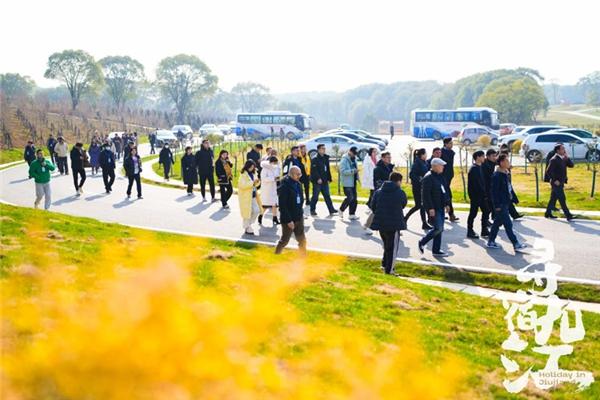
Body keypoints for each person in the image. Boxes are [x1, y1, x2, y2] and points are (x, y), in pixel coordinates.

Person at [487, 154, 527, 252]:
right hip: (501, 204)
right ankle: (516, 243)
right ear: (501, 163)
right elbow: (494, 192)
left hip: (506, 202)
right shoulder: (497, 176)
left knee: (497, 223)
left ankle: (491, 241)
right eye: (507, 161)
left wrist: (514, 198)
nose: (509, 163)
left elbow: (509, 188)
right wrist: (497, 205)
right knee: (508, 224)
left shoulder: (505, 173)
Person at [370, 172, 407, 275]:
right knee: (392, 248)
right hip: (394, 224)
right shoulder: (400, 192)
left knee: (387, 245)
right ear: (398, 181)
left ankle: (384, 264)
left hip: (381, 223)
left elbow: (373, 206)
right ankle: (389, 270)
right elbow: (403, 204)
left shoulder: (378, 192)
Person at [417, 158, 450, 256]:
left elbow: (445, 190)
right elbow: (425, 195)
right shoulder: (428, 177)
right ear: (435, 166)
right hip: (434, 207)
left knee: (439, 229)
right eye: (441, 165)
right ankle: (422, 242)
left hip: (440, 206)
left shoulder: (440, 176)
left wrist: (447, 203)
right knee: (438, 228)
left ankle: (436, 250)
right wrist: (430, 208)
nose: (443, 167)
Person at [275, 165, 307, 255]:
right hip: (288, 219)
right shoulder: (284, 186)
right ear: (292, 174)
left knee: (302, 239)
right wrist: (289, 220)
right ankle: (276, 255)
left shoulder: (298, 184)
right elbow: (283, 205)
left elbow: (300, 198)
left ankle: (303, 257)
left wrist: (300, 213)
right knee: (285, 240)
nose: (300, 176)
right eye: (298, 174)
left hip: (298, 216)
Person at [545, 144, 577, 220]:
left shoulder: (563, 158)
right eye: (562, 149)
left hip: (561, 182)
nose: (564, 150)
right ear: (558, 151)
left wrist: (567, 157)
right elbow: (548, 171)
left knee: (553, 199)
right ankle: (568, 215)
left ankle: (547, 213)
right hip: (556, 183)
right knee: (562, 199)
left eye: (564, 148)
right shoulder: (554, 159)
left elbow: (571, 165)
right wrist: (555, 180)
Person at [309, 144, 337, 216]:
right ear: (318, 150)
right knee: (315, 196)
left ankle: (331, 210)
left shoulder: (325, 158)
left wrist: (329, 178)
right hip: (317, 181)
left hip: (324, 180)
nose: (324, 150)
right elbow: (314, 170)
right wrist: (318, 178)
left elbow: (327, 169)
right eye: (322, 148)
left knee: (327, 195)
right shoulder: (315, 159)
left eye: (324, 148)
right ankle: (312, 210)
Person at [466, 150, 488, 239]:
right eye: (483, 156)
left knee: (486, 211)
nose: (484, 158)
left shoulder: (480, 167)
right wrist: (481, 194)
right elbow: (475, 184)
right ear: (478, 157)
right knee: (473, 213)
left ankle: (484, 230)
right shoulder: (474, 169)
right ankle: (470, 230)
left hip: (482, 195)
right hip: (476, 196)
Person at [238, 160, 262, 235]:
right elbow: (242, 185)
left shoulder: (254, 173)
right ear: (248, 166)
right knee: (247, 212)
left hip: (254, 195)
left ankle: (248, 225)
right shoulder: (243, 174)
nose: (253, 168)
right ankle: (247, 227)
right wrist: (252, 183)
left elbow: (256, 185)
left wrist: (257, 182)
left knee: (257, 210)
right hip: (246, 197)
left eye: (253, 166)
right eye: (251, 166)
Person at [339, 146, 359, 220]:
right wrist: (352, 171)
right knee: (350, 197)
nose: (354, 155)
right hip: (347, 182)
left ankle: (352, 214)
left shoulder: (354, 159)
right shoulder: (344, 160)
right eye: (354, 153)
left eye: (355, 153)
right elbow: (342, 171)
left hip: (353, 181)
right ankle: (341, 210)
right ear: (350, 151)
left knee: (355, 199)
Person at [440, 137, 458, 222]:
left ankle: (447, 214)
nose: (452, 145)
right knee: (447, 195)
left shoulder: (451, 152)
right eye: (450, 143)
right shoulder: (441, 152)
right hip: (442, 177)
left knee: (445, 195)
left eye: (452, 143)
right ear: (445, 144)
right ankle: (451, 214)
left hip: (448, 176)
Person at [259, 156, 281, 226]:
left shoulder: (274, 168)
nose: (275, 164)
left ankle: (275, 218)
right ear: (271, 162)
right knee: (266, 205)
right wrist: (273, 179)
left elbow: (276, 176)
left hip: (273, 188)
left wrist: (277, 178)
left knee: (274, 204)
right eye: (274, 162)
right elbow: (264, 179)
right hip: (267, 189)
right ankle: (261, 215)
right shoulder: (264, 169)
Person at [481, 148, 498, 234]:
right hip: (486, 188)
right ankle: (487, 221)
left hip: (492, 187)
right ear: (487, 156)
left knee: (490, 205)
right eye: (493, 156)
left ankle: (489, 219)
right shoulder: (485, 164)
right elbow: (486, 177)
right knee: (489, 206)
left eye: (495, 156)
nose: (494, 157)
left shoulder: (494, 163)